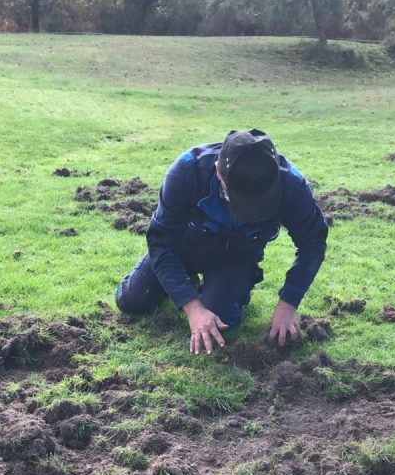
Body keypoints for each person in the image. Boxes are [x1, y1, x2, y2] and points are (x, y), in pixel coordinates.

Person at [115, 129, 329, 355]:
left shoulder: (292, 185)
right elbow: (162, 242)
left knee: (221, 321)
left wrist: (288, 305)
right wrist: (193, 308)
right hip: (182, 249)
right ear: (219, 172)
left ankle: (232, 285)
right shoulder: (188, 171)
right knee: (131, 302)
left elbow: (312, 244)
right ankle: (183, 281)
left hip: (235, 258)